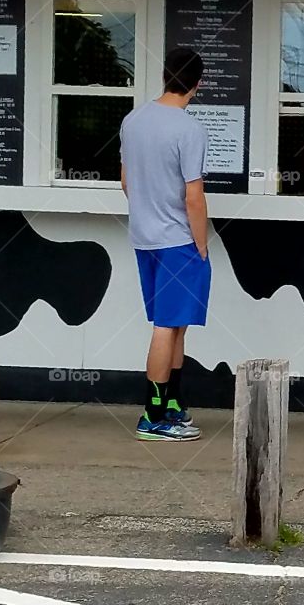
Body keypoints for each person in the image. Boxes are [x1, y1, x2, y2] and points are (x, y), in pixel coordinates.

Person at [120, 47, 210, 442]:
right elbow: (194, 196)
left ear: (165, 75)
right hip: (179, 241)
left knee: (176, 325)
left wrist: (147, 214)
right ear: (198, 83)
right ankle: (153, 415)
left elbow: (125, 181)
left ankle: (173, 402)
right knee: (166, 326)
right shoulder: (189, 129)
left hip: (145, 239)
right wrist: (201, 244)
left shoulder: (134, 119)